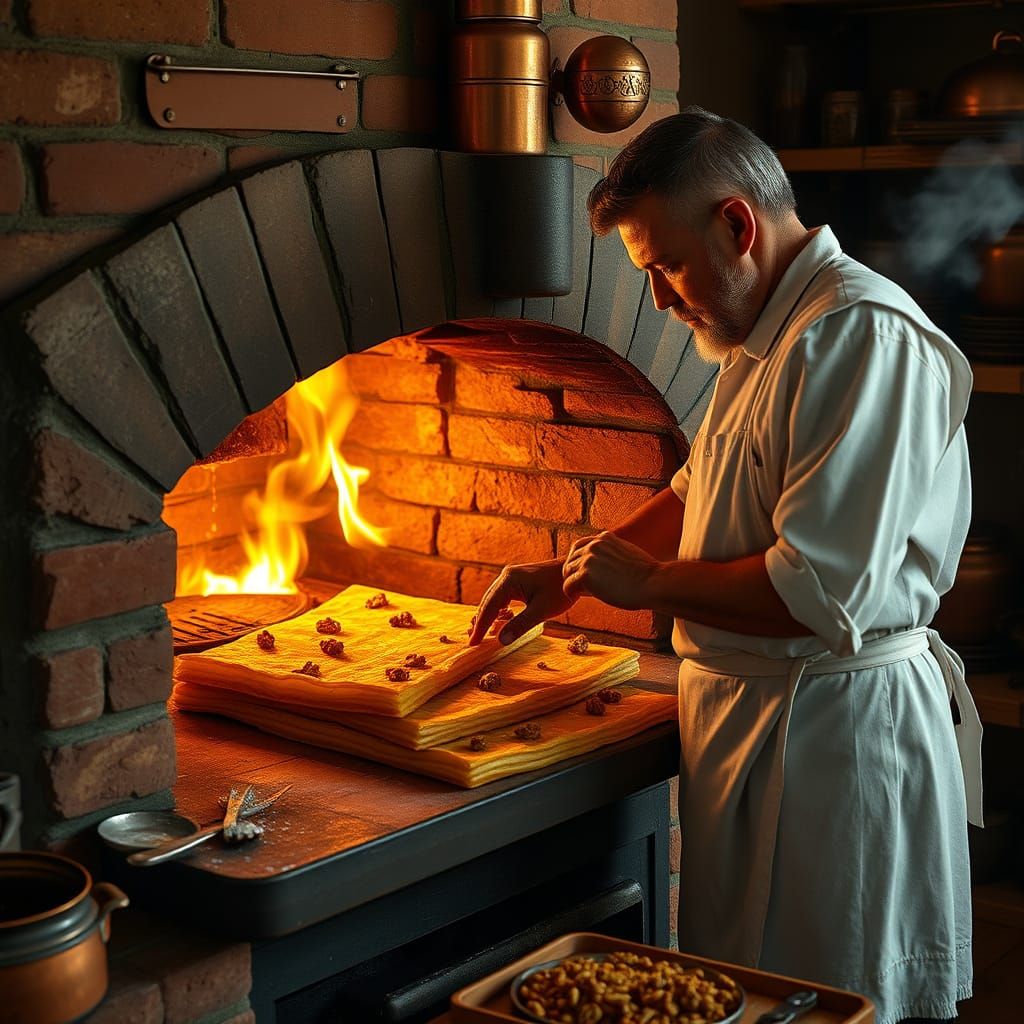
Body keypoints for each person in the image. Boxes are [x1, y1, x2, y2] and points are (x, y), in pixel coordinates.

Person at [468, 107, 983, 1024]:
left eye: (664, 266)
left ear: (737, 225)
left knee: (833, 998)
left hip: (835, 743)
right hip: (760, 725)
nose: (660, 300)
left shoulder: (858, 337)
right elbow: (702, 483)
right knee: (747, 994)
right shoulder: (765, 330)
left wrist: (652, 587)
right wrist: (570, 576)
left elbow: (820, 592)